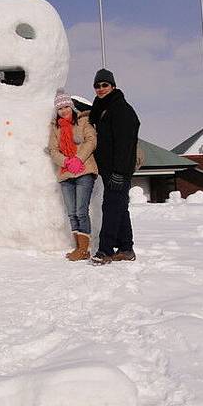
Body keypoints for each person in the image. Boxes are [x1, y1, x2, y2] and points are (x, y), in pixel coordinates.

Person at [88, 69, 140, 265]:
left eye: (105, 85)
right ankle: (126, 248)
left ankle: (105, 250)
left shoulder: (121, 109)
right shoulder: (102, 108)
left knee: (110, 208)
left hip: (119, 170)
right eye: (97, 86)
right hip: (108, 169)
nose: (100, 89)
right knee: (119, 208)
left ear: (113, 86)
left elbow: (125, 144)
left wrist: (119, 172)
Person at [48, 88, 98, 261]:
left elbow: (91, 140)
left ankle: (85, 249)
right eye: (60, 108)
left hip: (84, 171)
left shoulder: (83, 121)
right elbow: (53, 150)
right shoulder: (55, 128)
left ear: (71, 106)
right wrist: (66, 162)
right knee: (72, 213)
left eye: (66, 107)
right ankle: (79, 248)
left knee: (81, 211)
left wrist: (78, 158)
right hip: (66, 173)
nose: (63, 111)